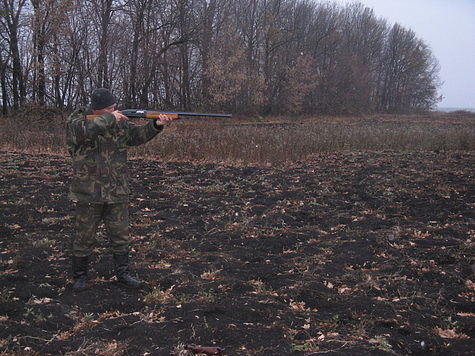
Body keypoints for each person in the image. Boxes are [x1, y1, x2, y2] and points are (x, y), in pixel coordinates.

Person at [66, 88, 172, 292]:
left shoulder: (119, 122)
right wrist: (110, 118)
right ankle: (80, 277)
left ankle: (123, 275)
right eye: (108, 108)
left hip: (116, 190)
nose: (114, 111)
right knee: (84, 237)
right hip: (88, 191)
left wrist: (157, 125)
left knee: (120, 236)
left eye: (114, 107)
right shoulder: (78, 120)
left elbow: (136, 136)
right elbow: (81, 132)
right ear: (96, 110)